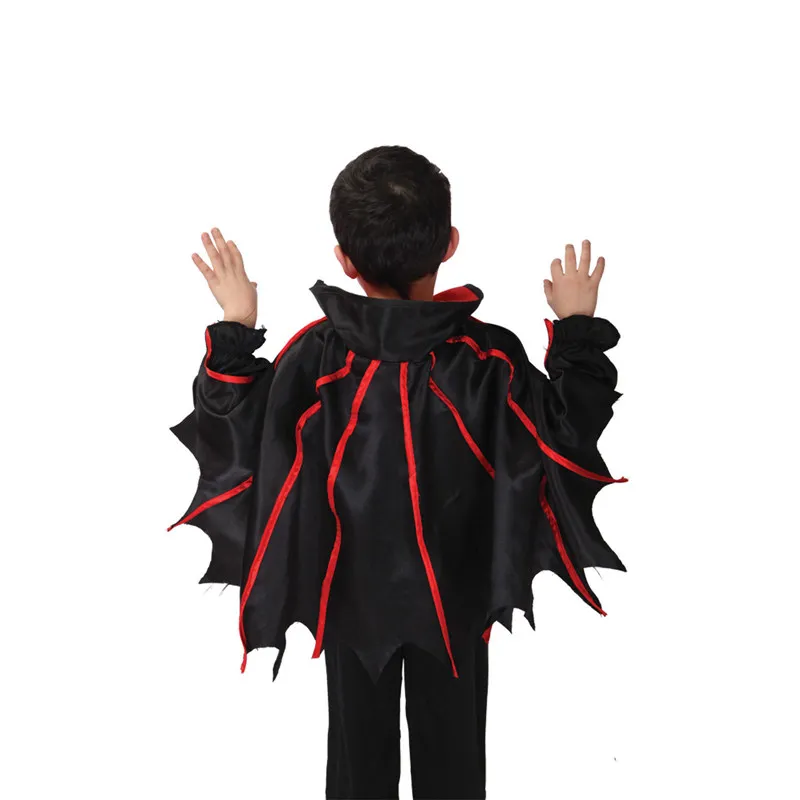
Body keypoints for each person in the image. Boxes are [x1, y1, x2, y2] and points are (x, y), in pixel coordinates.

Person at [167, 145, 628, 799]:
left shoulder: (315, 361)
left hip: (350, 596)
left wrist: (236, 327)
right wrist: (576, 326)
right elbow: (568, 431)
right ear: (450, 244)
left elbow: (238, 427)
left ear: (344, 261)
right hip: (456, 594)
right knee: (454, 765)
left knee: (358, 769)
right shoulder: (488, 361)